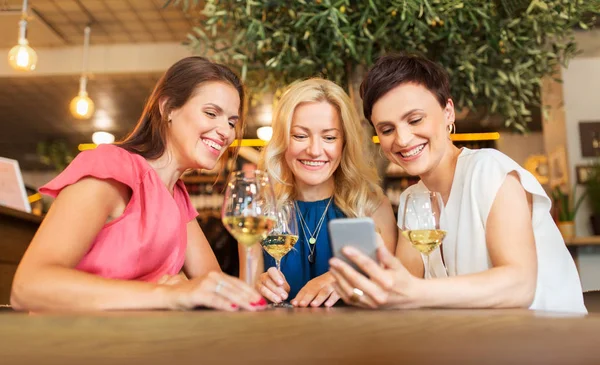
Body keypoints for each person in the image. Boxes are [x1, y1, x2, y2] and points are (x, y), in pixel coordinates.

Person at [329, 53, 587, 314]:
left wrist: (413, 292)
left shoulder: (488, 169)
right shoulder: (413, 199)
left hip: (551, 342)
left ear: (448, 112)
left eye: (415, 120)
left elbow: (520, 285)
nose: (403, 139)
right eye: (387, 130)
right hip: (481, 344)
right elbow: (404, 286)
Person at [10, 56, 266, 312]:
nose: (226, 131)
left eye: (232, 122)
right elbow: (28, 287)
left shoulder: (177, 197)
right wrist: (167, 294)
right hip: (70, 344)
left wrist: (259, 275)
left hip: (131, 345)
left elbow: (215, 290)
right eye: (211, 113)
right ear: (168, 108)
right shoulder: (110, 165)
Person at [243, 78, 397, 308]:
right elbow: (245, 303)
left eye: (329, 137)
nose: (315, 151)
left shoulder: (372, 206)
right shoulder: (258, 212)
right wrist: (259, 289)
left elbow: (391, 293)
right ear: (282, 141)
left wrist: (344, 281)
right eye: (300, 136)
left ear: (345, 143)